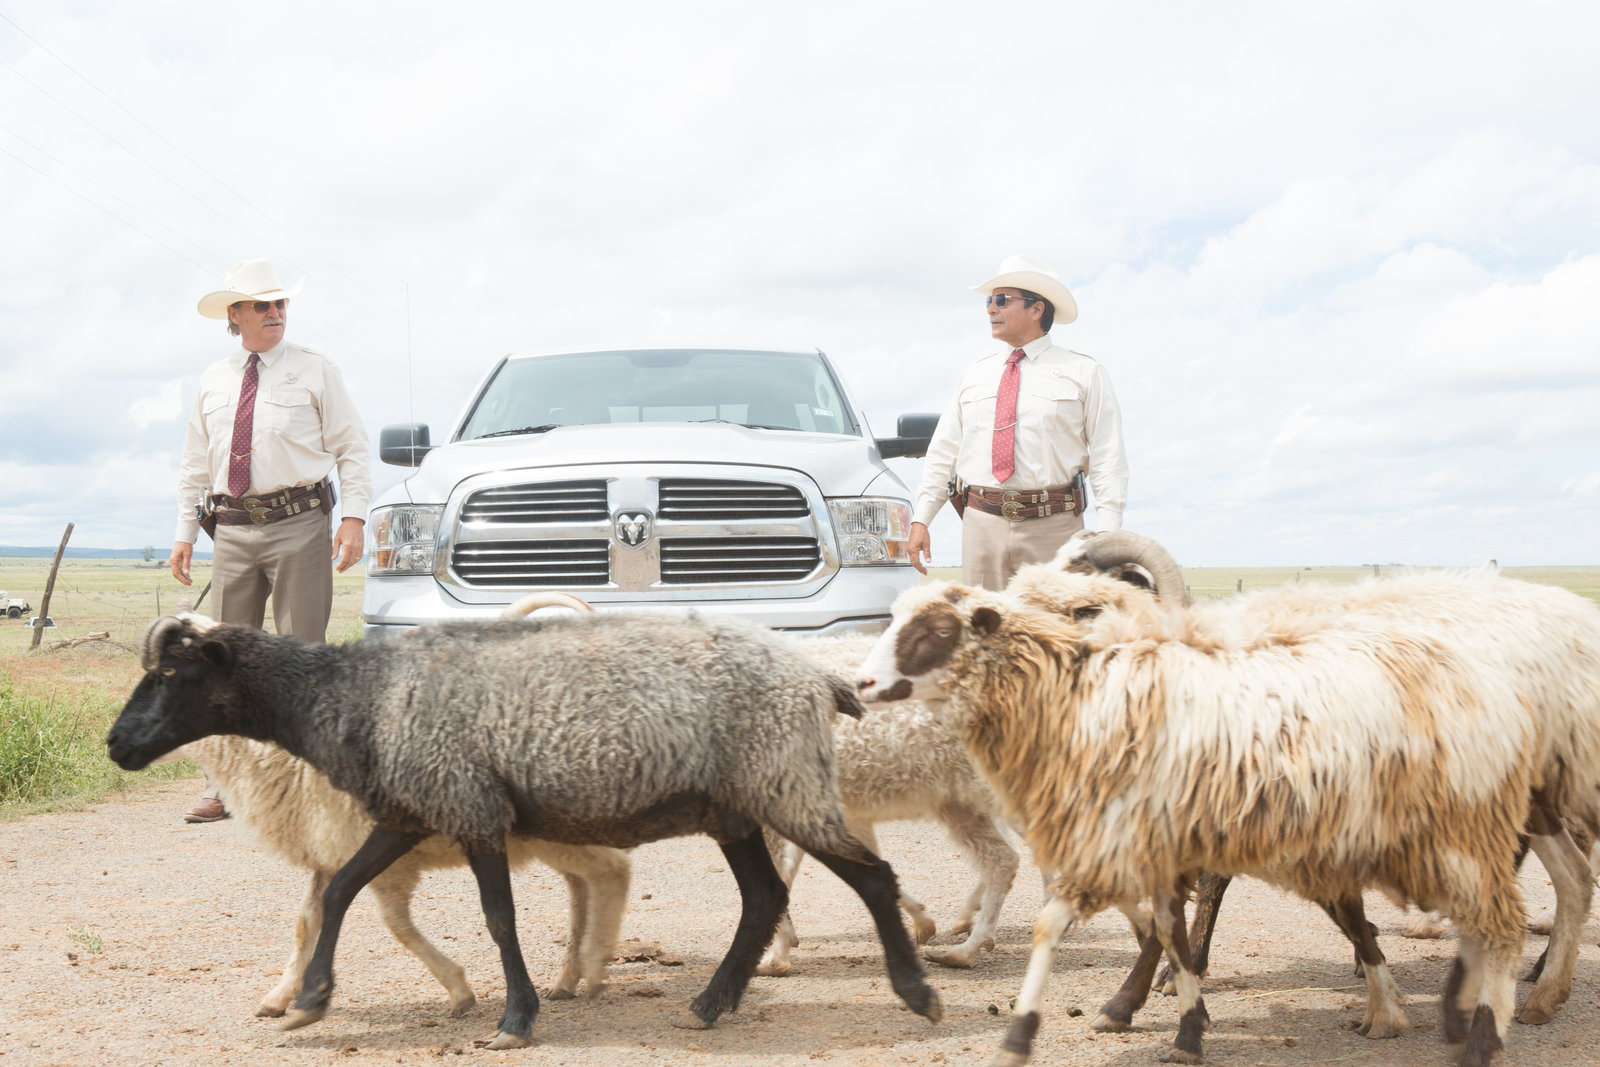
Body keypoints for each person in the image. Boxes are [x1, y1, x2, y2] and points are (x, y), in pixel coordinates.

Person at [169, 258, 372, 823]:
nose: (275, 313)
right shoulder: (214, 378)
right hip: (230, 529)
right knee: (225, 659)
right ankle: (224, 784)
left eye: (280, 303)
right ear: (235, 314)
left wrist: (353, 517)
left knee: (300, 655)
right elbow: (194, 461)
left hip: (299, 523)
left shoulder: (315, 371)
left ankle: (308, 785)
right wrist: (186, 531)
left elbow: (352, 448)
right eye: (262, 304)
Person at [909, 254, 1128, 590]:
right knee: (983, 635)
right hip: (981, 526)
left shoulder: (1085, 373)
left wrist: (1109, 535)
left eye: (1002, 300)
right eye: (989, 301)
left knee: (1055, 633)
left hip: (1055, 529)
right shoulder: (975, 374)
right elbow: (943, 451)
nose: (991, 309)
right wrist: (922, 518)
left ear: (1036, 309)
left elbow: (1108, 456)